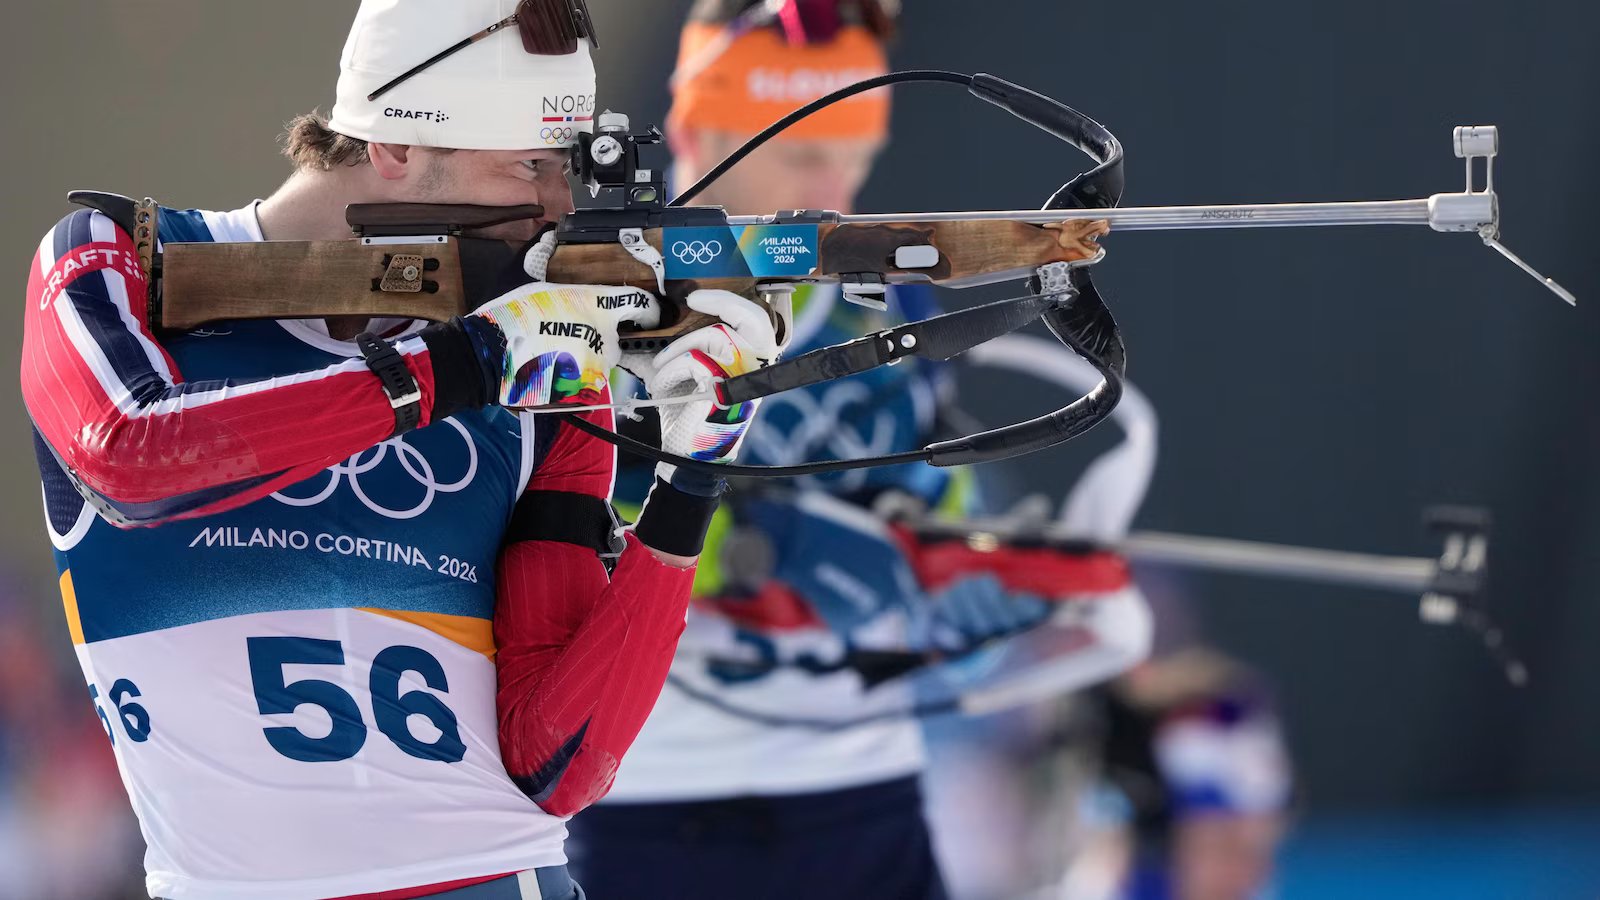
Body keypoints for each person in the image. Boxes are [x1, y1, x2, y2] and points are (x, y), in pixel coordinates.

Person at [19, 1, 778, 897]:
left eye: (566, 168)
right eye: (529, 165)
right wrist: (458, 365)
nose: (558, 208)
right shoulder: (124, 260)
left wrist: (694, 472)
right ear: (393, 148)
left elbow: (559, 764)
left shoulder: (541, 363)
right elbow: (128, 459)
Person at [563, 3, 1153, 898]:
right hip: (642, 793)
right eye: (805, 155)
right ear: (692, 133)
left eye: (856, 155)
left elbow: (933, 506)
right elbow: (553, 526)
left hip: (858, 786)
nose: (835, 185)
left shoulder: (885, 302)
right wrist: (756, 549)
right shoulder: (591, 295)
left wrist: (974, 587)